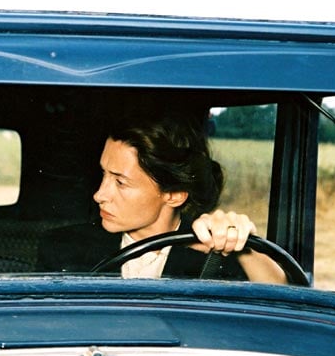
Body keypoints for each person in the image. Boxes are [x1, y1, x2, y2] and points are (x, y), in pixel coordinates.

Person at [38, 112, 287, 284]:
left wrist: (245, 247)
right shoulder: (62, 249)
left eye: (120, 182)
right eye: (104, 174)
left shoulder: (212, 257)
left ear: (174, 194)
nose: (99, 195)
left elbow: (283, 311)